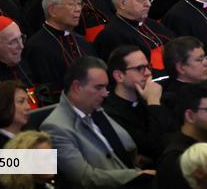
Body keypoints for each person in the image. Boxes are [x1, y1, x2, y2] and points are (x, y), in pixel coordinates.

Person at [40, 56, 155, 187]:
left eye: (105, 87)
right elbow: (85, 178)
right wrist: (137, 175)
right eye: (98, 87)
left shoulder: (96, 110)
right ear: (77, 87)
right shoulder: (55, 127)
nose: (105, 93)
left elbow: (122, 149)